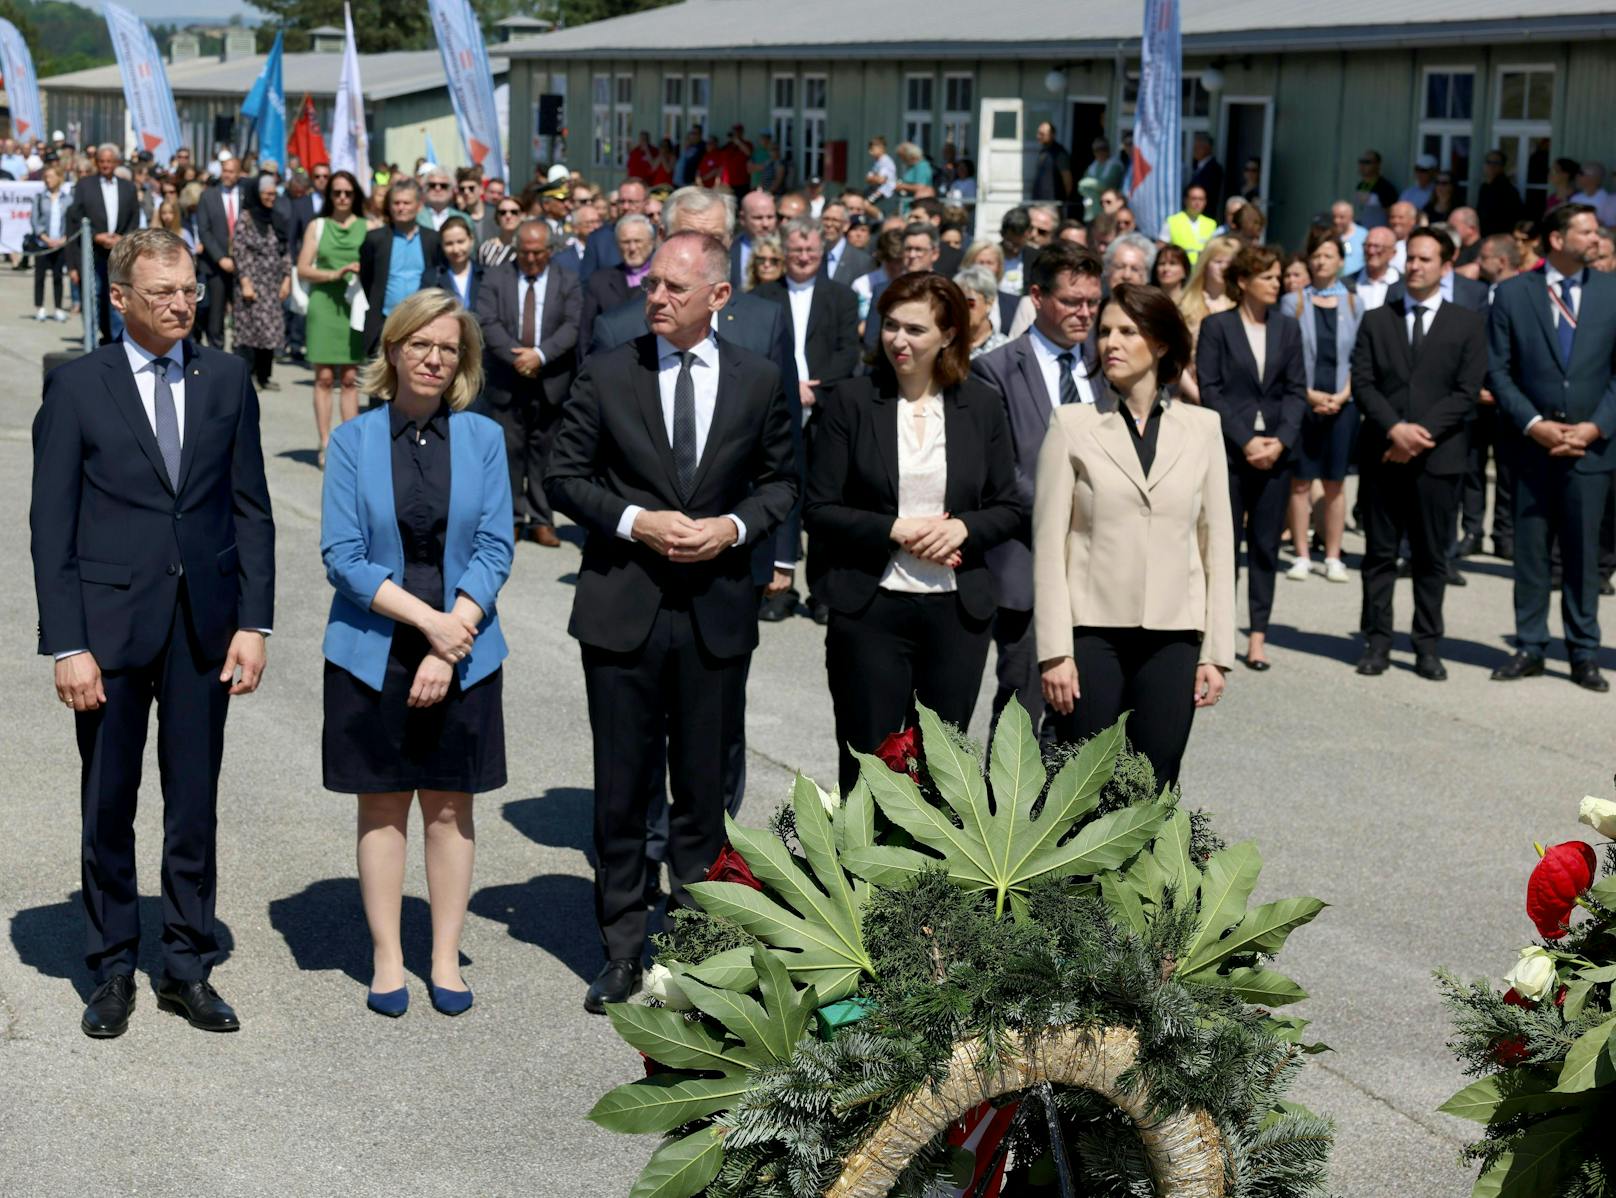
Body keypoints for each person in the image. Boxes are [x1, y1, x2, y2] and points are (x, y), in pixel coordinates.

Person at [29, 228, 275, 1038]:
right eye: (164, 292)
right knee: (108, 802)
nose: (182, 304)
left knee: (194, 801)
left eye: (191, 290)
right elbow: (50, 525)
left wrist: (253, 623)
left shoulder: (227, 378)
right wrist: (68, 643)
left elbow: (250, 509)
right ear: (119, 299)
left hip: (204, 627)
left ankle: (185, 964)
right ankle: (110, 966)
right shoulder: (77, 386)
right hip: (109, 629)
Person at [546, 230, 797, 1013]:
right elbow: (563, 474)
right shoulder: (609, 370)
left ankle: (692, 953)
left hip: (715, 612)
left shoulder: (759, 380)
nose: (654, 298)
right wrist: (633, 522)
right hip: (623, 608)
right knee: (621, 791)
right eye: (652, 285)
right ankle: (622, 950)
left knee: (701, 791)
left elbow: (784, 481)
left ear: (718, 298)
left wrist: (732, 529)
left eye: (673, 289)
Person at [320, 289, 512, 1018]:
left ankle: (442, 956)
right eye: (420, 344)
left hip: (465, 643)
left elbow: (496, 546)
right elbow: (342, 556)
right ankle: (388, 955)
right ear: (393, 349)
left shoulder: (484, 439)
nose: (433, 359)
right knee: (382, 805)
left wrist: (452, 631)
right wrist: (428, 624)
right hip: (375, 646)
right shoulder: (353, 439)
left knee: (449, 807)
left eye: (448, 348)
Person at [806, 272, 1021, 793]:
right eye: (891, 326)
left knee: (943, 770)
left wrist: (964, 529)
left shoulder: (983, 405)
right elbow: (818, 507)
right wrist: (895, 528)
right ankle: (859, 870)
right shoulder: (851, 401)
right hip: (871, 606)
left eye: (916, 330)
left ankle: (929, 876)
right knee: (868, 764)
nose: (899, 340)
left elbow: (1010, 506)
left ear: (948, 335)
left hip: (956, 611)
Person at [1033, 283, 1233, 789]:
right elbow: (1049, 547)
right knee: (1082, 790)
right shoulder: (1072, 425)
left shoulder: (1203, 428)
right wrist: (1055, 650)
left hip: (1174, 637)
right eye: (1104, 332)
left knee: (1154, 785)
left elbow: (1218, 548)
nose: (1110, 343)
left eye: (1127, 331)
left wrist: (1215, 653)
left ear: (1161, 344)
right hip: (1091, 634)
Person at [971, 242, 1103, 732]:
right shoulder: (997, 370)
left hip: (1102, 571)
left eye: (1092, 301)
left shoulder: (1106, 365)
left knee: (1090, 714)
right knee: (1021, 717)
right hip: (1029, 565)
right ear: (1037, 296)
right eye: (1072, 300)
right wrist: (1074, 515)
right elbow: (1001, 473)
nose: (1085, 313)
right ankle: (1007, 810)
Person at [1489, 203, 1616, 691]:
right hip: (1531, 447)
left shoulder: (1610, 292)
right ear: (1557, 239)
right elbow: (1498, 371)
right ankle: (1530, 645)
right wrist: (1534, 423)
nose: (1597, 237)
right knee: (1532, 551)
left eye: (1597, 231)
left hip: (1591, 447)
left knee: (1584, 555)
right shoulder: (1513, 294)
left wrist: (1596, 427)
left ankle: (1583, 651)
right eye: (1586, 230)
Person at [1350, 227, 1486, 680]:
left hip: (1439, 459)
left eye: (1425, 260)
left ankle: (1427, 645)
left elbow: (1467, 392)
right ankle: (1377, 642)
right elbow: (1364, 384)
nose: (1414, 267)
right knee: (1380, 555)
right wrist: (1395, 430)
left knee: (1431, 558)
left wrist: (1419, 433)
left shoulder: (1466, 324)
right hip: (1384, 454)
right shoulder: (1377, 320)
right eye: (1410, 259)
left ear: (1446, 267)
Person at [1196, 244, 1307, 671]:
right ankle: (1217, 635)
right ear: (1243, 282)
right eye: (1267, 277)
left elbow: (1297, 390)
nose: (1277, 284)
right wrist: (1245, 440)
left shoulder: (1289, 328)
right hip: (1231, 451)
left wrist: (1280, 440)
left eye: (1279, 277)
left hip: (1276, 452)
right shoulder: (1217, 327)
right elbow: (1211, 389)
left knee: (1265, 547)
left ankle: (1257, 636)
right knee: (1225, 548)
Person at [752, 217, 861, 621]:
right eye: (796, 250)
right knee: (780, 496)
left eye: (810, 251)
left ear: (821, 252)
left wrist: (815, 388)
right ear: (784, 252)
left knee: (826, 498)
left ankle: (824, 591)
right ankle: (779, 587)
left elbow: (848, 351)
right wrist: (788, 386)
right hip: (777, 408)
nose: (803, 257)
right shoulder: (763, 296)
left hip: (826, 410)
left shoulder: (842, 297)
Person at [475, 220, 583, 550]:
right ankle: (509, 519)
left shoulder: (568, 279)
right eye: (525, 252)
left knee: (545, 453)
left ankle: (541, 519)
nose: (531, 258)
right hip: (507, 380)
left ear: (550, 250)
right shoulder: (496, 277)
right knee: (508, 452)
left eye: (538, 252)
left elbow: (571, 325)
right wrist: (518, 359)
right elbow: (487, 322)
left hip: (549, 379)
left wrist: (539, 355)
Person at [1285, 227, 1364, 584]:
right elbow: (1289, 356)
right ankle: (1301, 554)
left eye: (1328, 255)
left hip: (1342, 402)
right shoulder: (1295, 301)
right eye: (1316, 255)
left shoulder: (1352, 301)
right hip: (1305, 402)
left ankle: (1333, 555)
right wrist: (1309, 394)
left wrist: (1345, 394)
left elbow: (1359, 356)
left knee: (1334, 483)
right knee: (1301, 482)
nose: (1321, 261)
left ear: (1341, 262)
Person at [297, 169, 368, 467]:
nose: (341, 197)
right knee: (324, 377)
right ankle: (325, 441)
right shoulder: (318, 226)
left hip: (354, 307)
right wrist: (332, 274)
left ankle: (350, 445)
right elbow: (302, 268)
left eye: (347, 193)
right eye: (336, 192)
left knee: (351, 378)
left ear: (355, 196)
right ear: (329, 196)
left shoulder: (368, 225)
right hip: (324, 304)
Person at [359, 178, 443, 360]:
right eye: (396, 203)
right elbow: (366, 277)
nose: (401, 207)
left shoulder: (432, 239)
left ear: (419, 205)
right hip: (385, 321)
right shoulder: (375, 239)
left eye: (406, 203)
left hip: (422, 322)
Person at [70, 144, 139, 345]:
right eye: (102, 161)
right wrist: (95, 236)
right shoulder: (85, 185)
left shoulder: (128, 187)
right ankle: (91, 341)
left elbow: (134, 217)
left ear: (116, 163)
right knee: (94, 296)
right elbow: (76, 217)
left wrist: (123, 238)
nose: (105, 165)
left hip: (119, 254)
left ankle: (118, 343)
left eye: (109, 161)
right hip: (93, 253)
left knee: (118, 299)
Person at [230, 174, 291, 394]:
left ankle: (265, 376)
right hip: (252, 285)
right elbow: (240, 250)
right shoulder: (246, 219)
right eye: (267, 194)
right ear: (257, 194)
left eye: (274, 194)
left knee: (271, 331)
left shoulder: (276, 218)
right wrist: (246, 282)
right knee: (252, 331)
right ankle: (250, 376)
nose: (271, 198)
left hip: (272, 285)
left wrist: (286, 279)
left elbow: (284, 250)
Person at [580, 212, 655, 358]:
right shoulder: (599, 280)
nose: (632, 248)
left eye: (638, 241)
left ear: (651, 242)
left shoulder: (663, 282)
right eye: (625, 242)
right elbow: (585, 335)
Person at [31, 163, 71, 322]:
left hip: (60, 244)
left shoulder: (67, 199)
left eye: (51, 177)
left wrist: (63, 239)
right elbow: (35, 221)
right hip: (42, 245)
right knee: (39, 276)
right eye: (46, 177)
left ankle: (58, 308)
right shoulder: (40, 198)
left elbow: (70, 221)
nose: (48, 180)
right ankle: (40, 307)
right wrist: (45, 238)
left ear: (59, 178)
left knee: (58, 276)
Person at [426, 214, 484, 311]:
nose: (456, 250)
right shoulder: (431, 278)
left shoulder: (485, 275)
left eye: (461, 242)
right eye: (449, 244)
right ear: (442, 245)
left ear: (471, 240)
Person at [957, 266, 1010, 359]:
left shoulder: (1005, 349)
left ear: (989, 303)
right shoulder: (946, 345)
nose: (962, 309)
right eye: (957, 302)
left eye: (969, 303)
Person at [1159, 184, 1217, 264]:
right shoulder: (1172, 221)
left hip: (1201, 270)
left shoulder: (1211, 224)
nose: (1197, 203)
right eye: (1194, 199)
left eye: (1201, 199)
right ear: (1186, 200)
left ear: (1205, 202)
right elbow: (1161, 248)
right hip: (1180, 269)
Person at [820, 200, 872, 285]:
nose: (829, 224)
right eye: (826, 219)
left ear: (846, 225)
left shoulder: (862, 261)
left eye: (835, 220)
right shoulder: (810, 254)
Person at [1477, 150, 1525, 237]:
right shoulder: (1484, 188)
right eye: (1489, 162)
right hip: (1484, 237)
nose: (1491, 166)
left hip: (1500, 238)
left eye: (1496, 163)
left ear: (1502, 167)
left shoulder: (1509, 190)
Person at [1352, 226, 1401, 310]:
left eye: (1377, 246)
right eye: (1368, 245)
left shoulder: (1404, 286)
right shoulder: (1348, 284)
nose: (1371, 251)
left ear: (1392, 253)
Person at [1031, 122, 1073, 216]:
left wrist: (1063, 200)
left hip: (1052, 203)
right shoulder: (1043, 151)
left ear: (1052, 135)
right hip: (1039, 202)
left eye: (1042, 134)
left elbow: (1067, 179)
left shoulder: (1059, 153)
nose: (1038, 136)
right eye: (1038, 133)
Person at [1354, 149, 1399, 229]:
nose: (1363, 165)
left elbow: (1391, 214)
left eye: (1367, 162)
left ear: (1377, 165)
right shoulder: (1360, 186)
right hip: (1362, 230)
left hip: (1379, 232)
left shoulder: (1385, 188)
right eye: (1361, 161)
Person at [479, 193, 525, 269]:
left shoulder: (529, 246)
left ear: (522, 215)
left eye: (514, 212)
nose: (508, 216)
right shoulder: (486, 248)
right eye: (503, 212)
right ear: (497, 217)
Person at [893, 141, 933, 216]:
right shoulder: (912, 167)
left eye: (902, 157)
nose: (902, 160)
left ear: (910, 155)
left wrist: (901, 186)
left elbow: (921, 187)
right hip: (907, 205)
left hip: (918, 206)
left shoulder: (922, 166)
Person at [1186, 133, 1224, 206]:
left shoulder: (1213, 168)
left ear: (1207, 147)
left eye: (1197, 147)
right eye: (1195, 148)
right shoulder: (1197, 165)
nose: (1195, 151)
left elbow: (1206, 192)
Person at [865, 136, 898, 210]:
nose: (870, 152)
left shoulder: (885, 161)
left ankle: (879, 217)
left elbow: (881, 180)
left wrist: (872, 178)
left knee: (865, 204)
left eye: (872, 149)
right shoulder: (877, 162)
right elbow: (867, 179)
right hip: (877, 190)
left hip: (884, 192)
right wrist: (873, 178)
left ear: (881, 148)